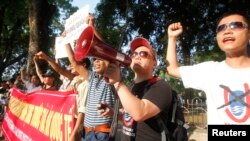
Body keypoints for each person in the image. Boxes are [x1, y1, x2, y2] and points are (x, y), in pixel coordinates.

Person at [166, 10, 250, 125]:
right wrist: (172, 38)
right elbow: (172, 69)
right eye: (221, 28)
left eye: (236, 25)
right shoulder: (210, 71)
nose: (227, 31)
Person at [103, 37, 173, 141]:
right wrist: (114, 113)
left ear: (154, 63)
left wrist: (117, 82)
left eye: (143, 54)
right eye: (134, 54)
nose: (137, 57)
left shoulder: (161, 86)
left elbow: (140, 113)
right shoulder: (130, 87)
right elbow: (129, 115)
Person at [64, 13, 116, 141]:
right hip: (87, 133)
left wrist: (91, 26)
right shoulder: (91, 77)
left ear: (108, 62)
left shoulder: (111, 77)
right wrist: (66, 41)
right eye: (95, 60)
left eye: (100, 59)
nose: (96, 62)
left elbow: (106, 50)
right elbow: (74, 63)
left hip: (103, 134)